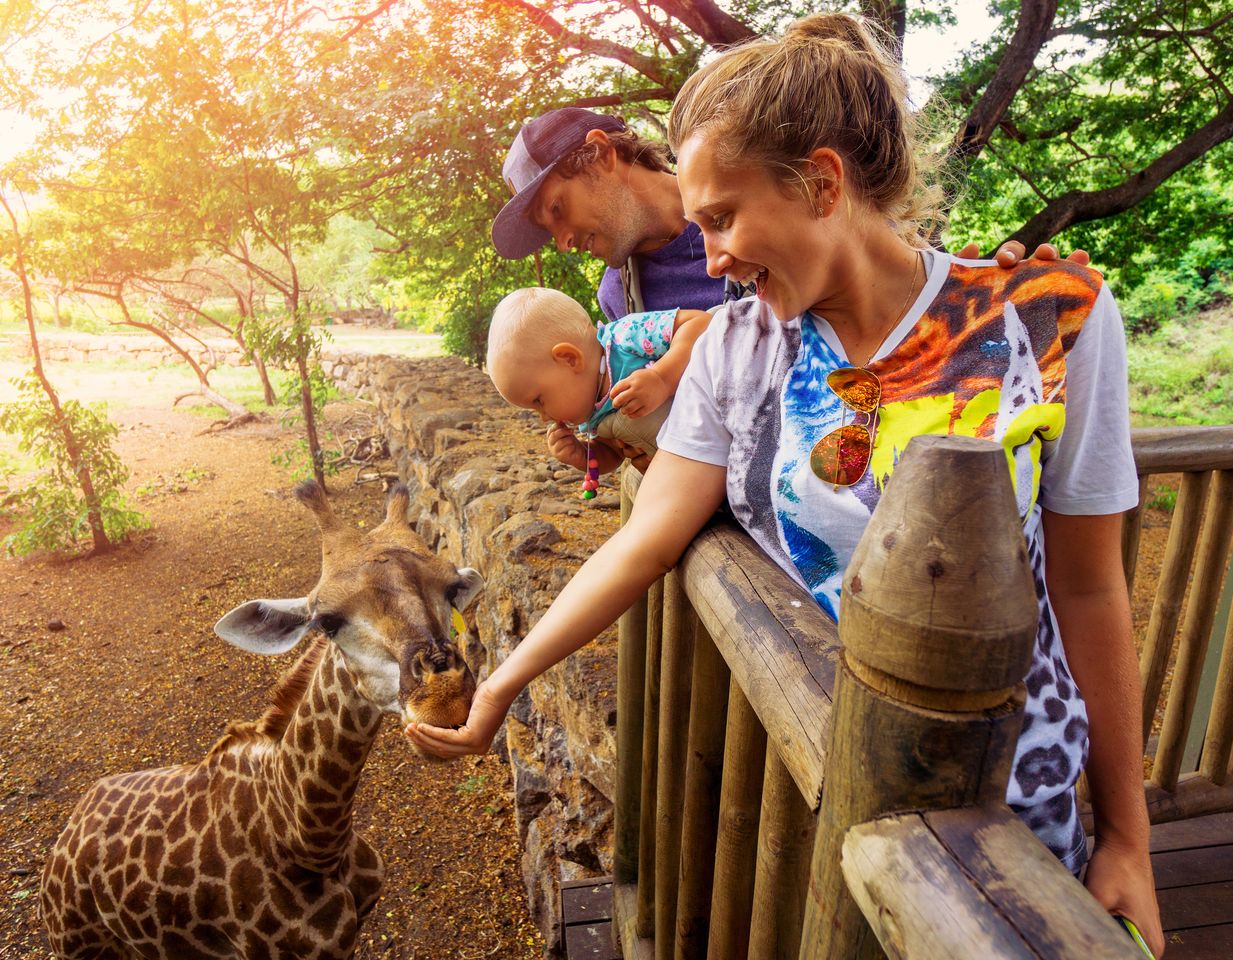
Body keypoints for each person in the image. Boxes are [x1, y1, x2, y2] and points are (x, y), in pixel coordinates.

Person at [428, 12, 1162, 955]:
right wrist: (503, 686)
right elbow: (645, 538)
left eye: (724, 219)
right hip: (819, 782)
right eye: (700, 227)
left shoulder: (1051, 320)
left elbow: (1092, 587)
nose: (717, 258)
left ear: (821, 182)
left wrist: (1130, 839)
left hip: (1014, 803)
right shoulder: (738, 348)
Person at [490, 109, 1090, 322]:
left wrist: (999, 295)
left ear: (599, 153)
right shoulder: (622, 300)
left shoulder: (784, 205)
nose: (563, 240)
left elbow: (898, 290)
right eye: (550, 232)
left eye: (558, 211)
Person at [485, 287, 712, 475]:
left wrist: (662, 377)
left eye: (538, 400)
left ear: (569, 359)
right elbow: (613, 456)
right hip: (697, 469)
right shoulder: (592, 413)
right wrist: (583, 454)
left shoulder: (626, 337)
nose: (544, 417)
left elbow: (701, 323)